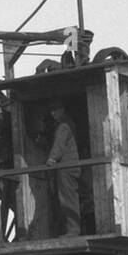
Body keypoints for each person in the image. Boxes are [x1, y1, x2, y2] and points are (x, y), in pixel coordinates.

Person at [43, 101, 82, 237]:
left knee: (67, 198)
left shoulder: (63, 126)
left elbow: (59, 145)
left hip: (66, 167)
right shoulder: (68, 123)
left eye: (55, 110)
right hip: (69, 166)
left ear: (62, 109)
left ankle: (73, 230)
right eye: (51, 111)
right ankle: (72, 229)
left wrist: (51, 159)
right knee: (68, 197)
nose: (52, 113)